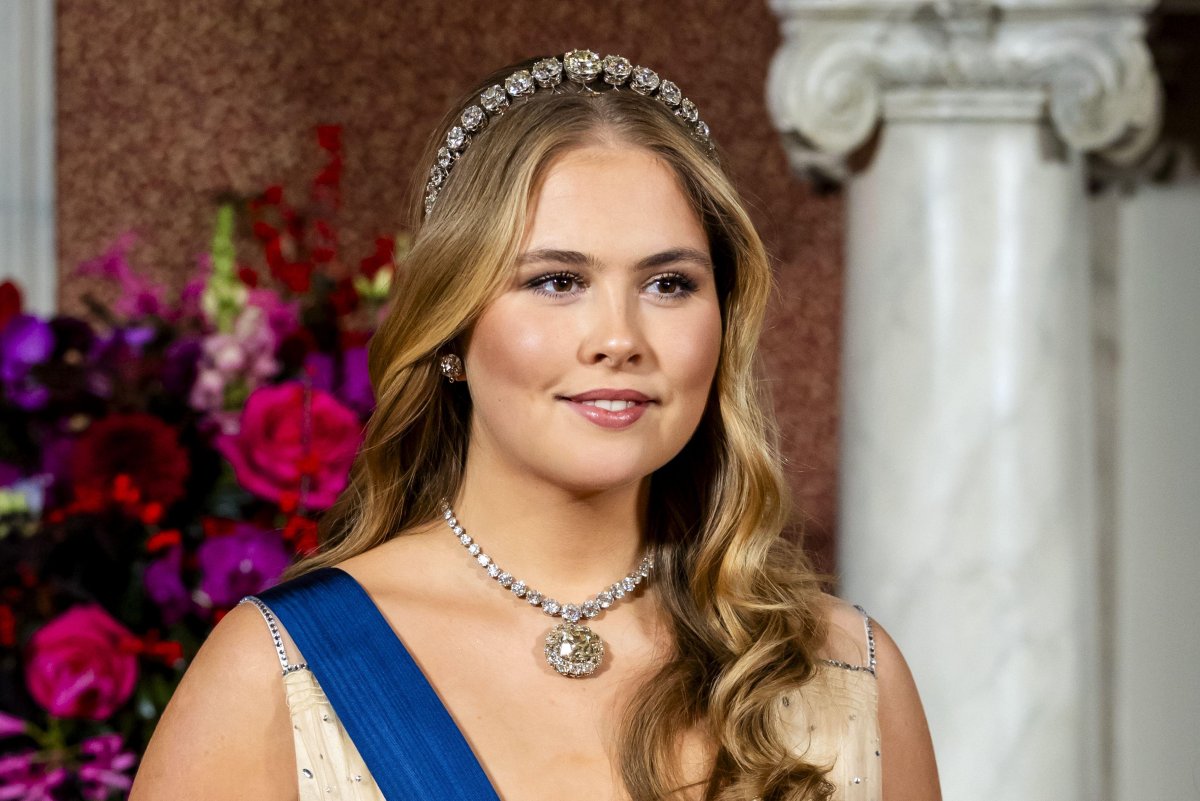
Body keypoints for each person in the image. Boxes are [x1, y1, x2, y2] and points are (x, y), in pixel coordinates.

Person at [128, 49, 940, 801]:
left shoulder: (845, 672)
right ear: (452, 327)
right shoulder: (278, 671)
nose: (618, 338)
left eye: (668, 283)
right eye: (557, 280)